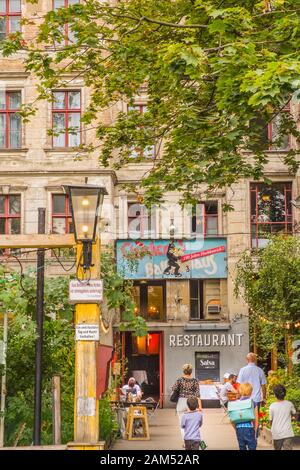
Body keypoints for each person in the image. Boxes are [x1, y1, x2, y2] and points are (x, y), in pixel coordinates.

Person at [171, 364, 202, 439]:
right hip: (192, 402)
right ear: (191, 371)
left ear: (183, 371)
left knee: (182, 425)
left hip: (181, 402)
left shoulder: (179, 380)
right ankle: (200, 445)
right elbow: (198, 395)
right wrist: (200, 406)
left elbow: (174, 389)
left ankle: (186, 443)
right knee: (195, 425)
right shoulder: (195, 381)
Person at [269, 384, 296, 450]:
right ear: (285, 394)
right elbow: (294, 413)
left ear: (275, 395)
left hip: (276, 433)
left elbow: (271, 421)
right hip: (287, 433)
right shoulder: (289, 404)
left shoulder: (272, 406)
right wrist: (292, 417)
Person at [232, 383, 259, 451]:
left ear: (240, 391)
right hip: (249, 428)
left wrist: (236, 429)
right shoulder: (253, 403)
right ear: (251, 391)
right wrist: (255, 432)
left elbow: (232, 420)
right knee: (252, 447)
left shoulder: (236, 403)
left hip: (239, 429)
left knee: (242, 447)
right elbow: (256, 420)